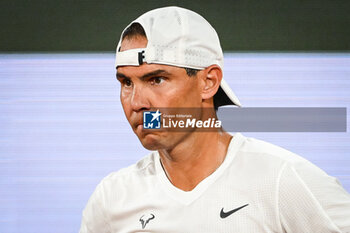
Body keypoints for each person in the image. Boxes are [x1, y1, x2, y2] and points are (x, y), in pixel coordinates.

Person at [79, 6, 350, 232]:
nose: (137, 103)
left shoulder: (282, 181)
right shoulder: (111, 200)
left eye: (157, 79)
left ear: (208, 82)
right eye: (126, 83)